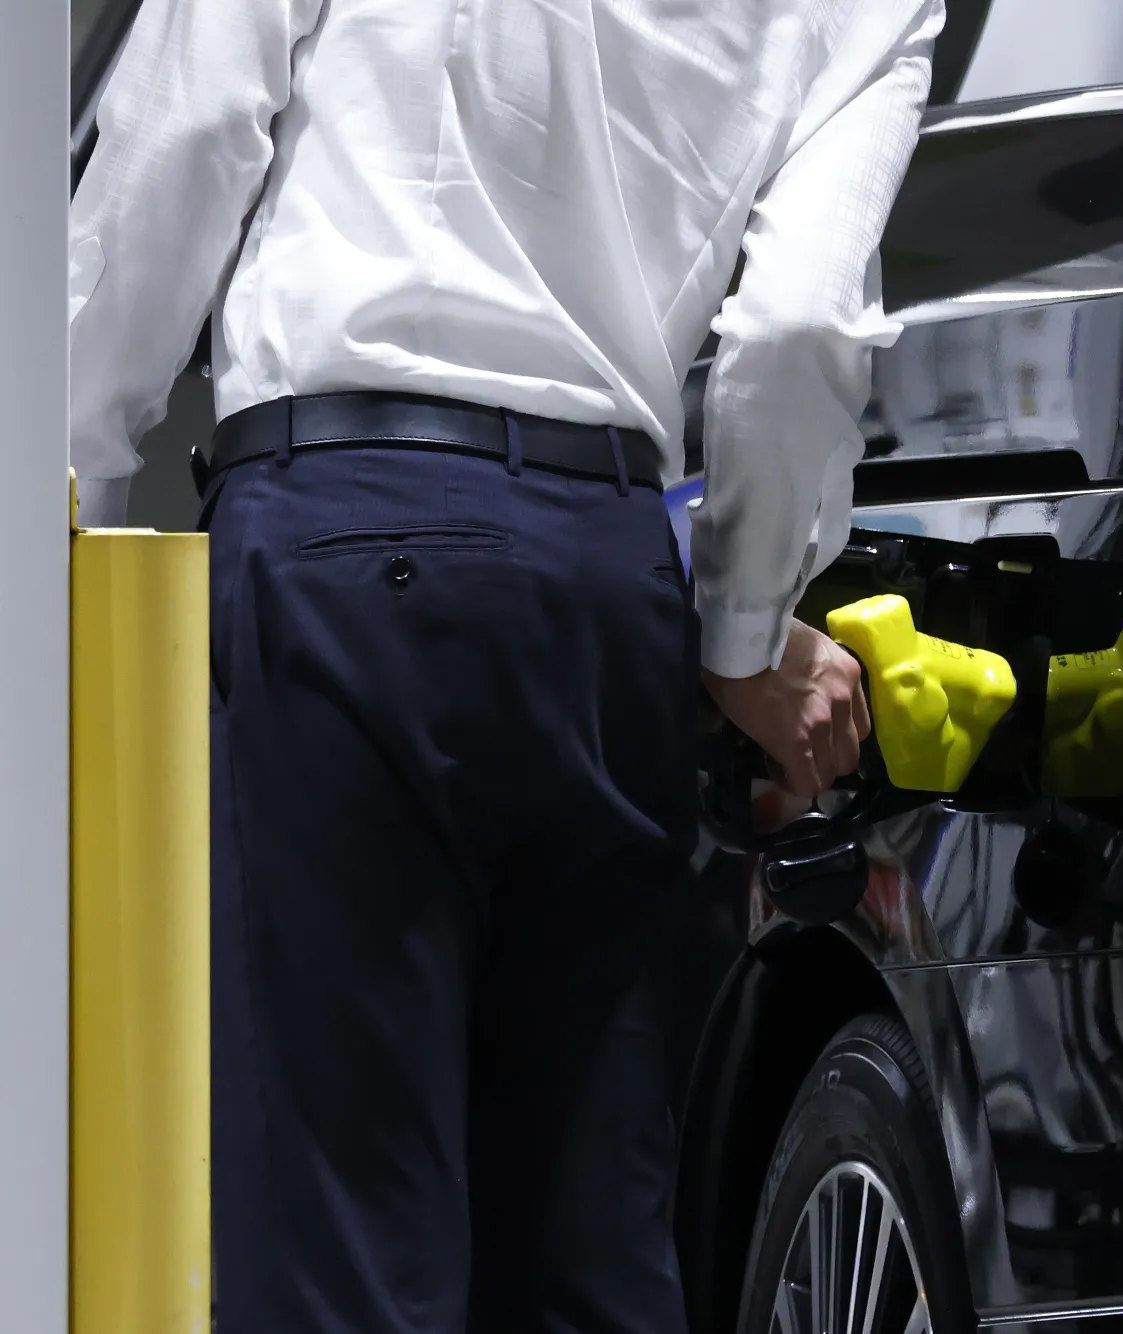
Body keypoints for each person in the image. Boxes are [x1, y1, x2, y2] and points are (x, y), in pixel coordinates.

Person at [67, 0, 942, 1327]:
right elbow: (798, 335)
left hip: (341, 546)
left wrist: (64, 482)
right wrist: (742, 632)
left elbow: (181, 129)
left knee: (342, 1243)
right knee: (587, 1247)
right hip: (600, 584)